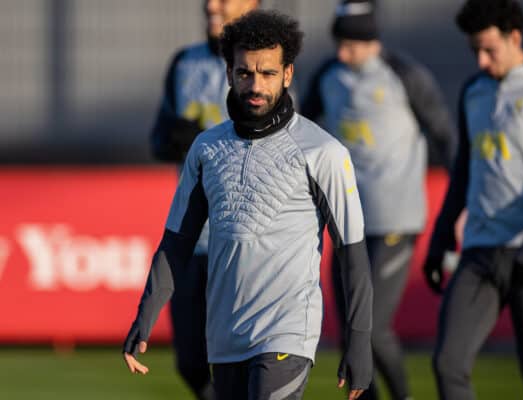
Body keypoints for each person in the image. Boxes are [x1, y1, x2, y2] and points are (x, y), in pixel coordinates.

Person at [124, 10, 374, 400]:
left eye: (268, 73)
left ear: (288, 74)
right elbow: (177, 241)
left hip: (286, 331)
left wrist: (359, 340)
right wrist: (146, 314)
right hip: (224, 335)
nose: (255, 85)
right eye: (244, 73)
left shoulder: (323, 152)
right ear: (228, 73)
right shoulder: (206, 149)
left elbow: (352, 253)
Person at [422, 0, 523, 399]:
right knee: (448, 364)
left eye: (489, 49)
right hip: (479, 252)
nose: (481, 60)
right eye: (474, 49)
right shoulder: (473, 92)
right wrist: (441, 237)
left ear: (515, 38)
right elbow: (463, 171)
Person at [301, 1, 456, 399]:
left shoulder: (405, 76)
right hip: (346, 219)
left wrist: (462, 201)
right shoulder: (327, 76)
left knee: (372, 325)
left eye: (350, 45)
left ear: (371, 42)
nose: (341, 53)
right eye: (339, 44)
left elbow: (445, 135)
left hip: (395, 220)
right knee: (351, 331)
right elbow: (298, 129)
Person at [149, 1, 259, 398]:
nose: (213, 6)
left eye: (225, 0)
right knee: (191, 361)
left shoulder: (267, 67)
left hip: (246, 239)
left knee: (243, 360)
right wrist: (172, 138)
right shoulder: (184, 64)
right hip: (195, 237)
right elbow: (158, 138)